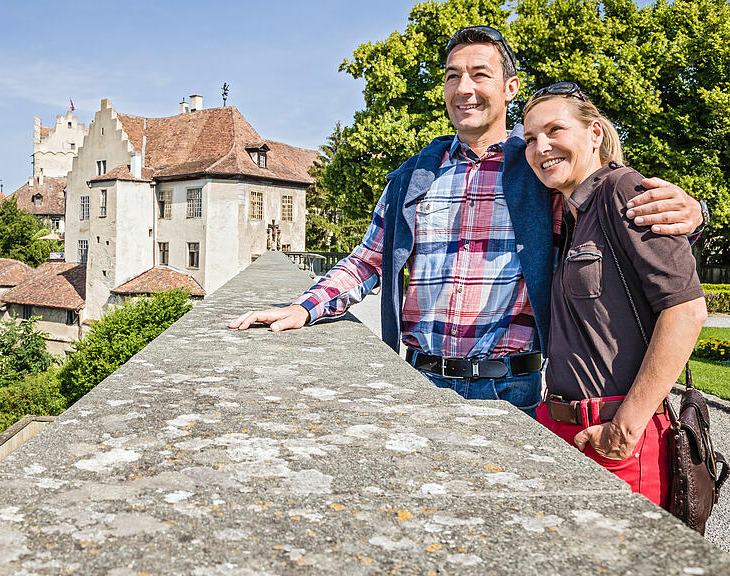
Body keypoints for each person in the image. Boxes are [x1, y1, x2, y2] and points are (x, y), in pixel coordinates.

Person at [228, 26, 705, 416]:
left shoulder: (543, 170)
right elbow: (368, 260)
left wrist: (694, 211)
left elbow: (615, 215)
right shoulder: (413, 176)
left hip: (512, 389)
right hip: (419, 380)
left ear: (510, 88)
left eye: (480, 74)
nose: (465, 88)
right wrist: (304, 307)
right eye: (453, 76)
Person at [523, 82, 707, 506]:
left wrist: (624, 429)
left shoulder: (622, 189)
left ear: (595, 133)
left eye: (555, 130)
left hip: (616, 437)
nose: (541, 147)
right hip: (562, 426)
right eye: (530, 139)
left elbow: (686, 310)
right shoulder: (569, 213)